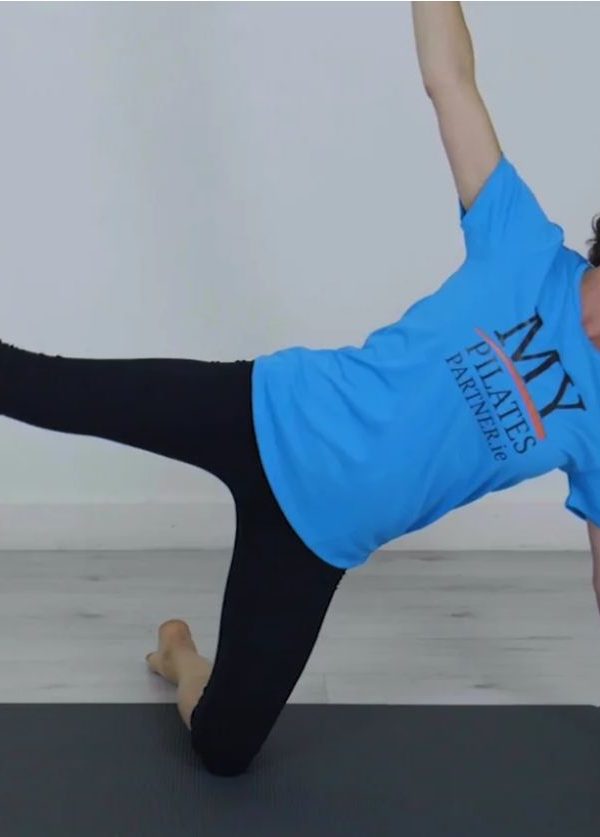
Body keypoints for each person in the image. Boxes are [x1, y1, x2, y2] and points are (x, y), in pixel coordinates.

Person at [1, 1, 600, 778]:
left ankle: (179, 653)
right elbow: (448, 79)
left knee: (223, 750)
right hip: (263, 412)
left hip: (314, 543)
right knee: (44, 388)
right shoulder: (521, 239)